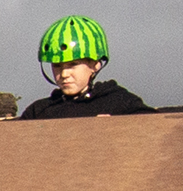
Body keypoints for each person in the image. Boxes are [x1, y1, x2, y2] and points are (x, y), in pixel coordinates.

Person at [20, 17, 152, 118]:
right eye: (57, 66)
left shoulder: (120, 103)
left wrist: (120, 127)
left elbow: (157, 129)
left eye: (73, 65)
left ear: (95, 64)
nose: (64, 74)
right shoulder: (38, 112)